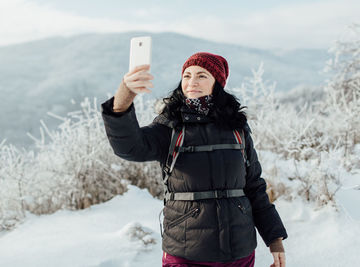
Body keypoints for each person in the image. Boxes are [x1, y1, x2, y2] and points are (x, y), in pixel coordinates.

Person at [101, 52, 288, 267]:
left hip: (238, 251)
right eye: (187, 75)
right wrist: (125, 96)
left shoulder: (237, 129)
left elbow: (254, 186)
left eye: (201, 75)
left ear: (216, 82)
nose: (192, 82)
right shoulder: (171, 126)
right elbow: (130, 148)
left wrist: (275, 240)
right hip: (185, 251)